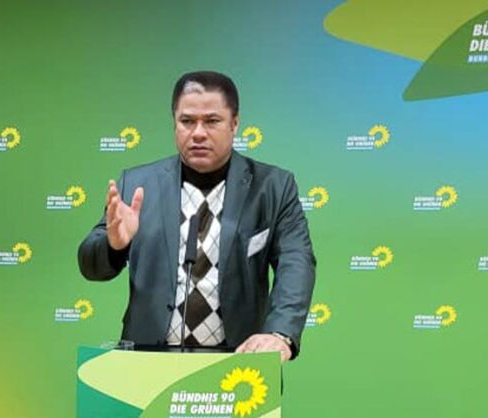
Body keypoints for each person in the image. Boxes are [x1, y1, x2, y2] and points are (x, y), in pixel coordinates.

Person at [78, 71, 315, 361]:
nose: (198, 133)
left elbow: (296, 262)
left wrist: (280, 334)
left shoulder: (273, 187)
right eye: (187, 121)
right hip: (147, 364)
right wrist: (113, 246)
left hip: (237, 365)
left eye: (212, 121)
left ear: (235, 124)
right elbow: (91, 266)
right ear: (174, 123)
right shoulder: (137, 185)